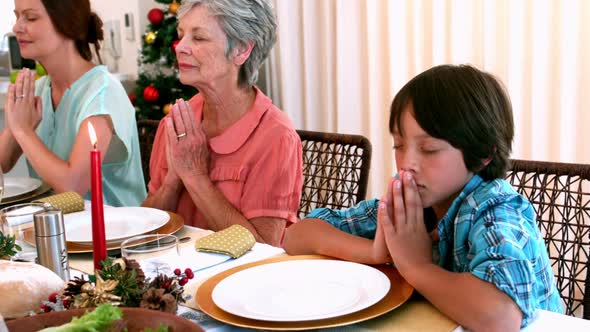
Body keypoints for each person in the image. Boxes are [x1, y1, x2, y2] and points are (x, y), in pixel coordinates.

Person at [283, 65, 562, 330]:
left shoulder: (494, 207)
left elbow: (501, 317)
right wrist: (374, 252)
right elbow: (297, 236)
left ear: (482, 154)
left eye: (428, 149)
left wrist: (415, 266)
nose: (407, 162)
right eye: (399, 145)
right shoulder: (414, 201)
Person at [142, 0, 303, 247]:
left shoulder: (276, 137)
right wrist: (172, 182)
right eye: (181, 35)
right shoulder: (175, 123)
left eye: (199, 38)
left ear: (241, 50)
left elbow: (262, 249)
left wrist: (195, 176)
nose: (180, 47)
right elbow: (144, 235)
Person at [2, 0, 146, 206]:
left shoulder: (103, 94)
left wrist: (23, 132)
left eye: (31, 17)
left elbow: (73, 186)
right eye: (17, 17)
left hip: (116, 234)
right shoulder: (41, 89)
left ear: (66, 23)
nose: (17, 27)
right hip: (59, 232)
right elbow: (3, 163)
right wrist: (14, 127)